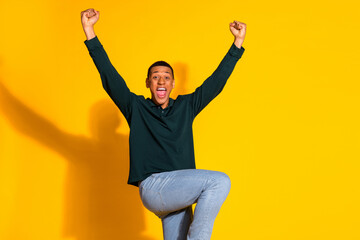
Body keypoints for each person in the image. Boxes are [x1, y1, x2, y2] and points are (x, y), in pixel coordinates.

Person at [81, 8, 246, 240]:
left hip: (177, 194)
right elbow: (110, 76)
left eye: (166, 77)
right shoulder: (136, 107)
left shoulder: (186, 106)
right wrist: (90, 31)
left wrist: (237, 44)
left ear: (173, 84)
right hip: (154, 186)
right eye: (156, 76)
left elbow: (215, 83)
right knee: (219, 182)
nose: (161, 80)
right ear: (148, 82)